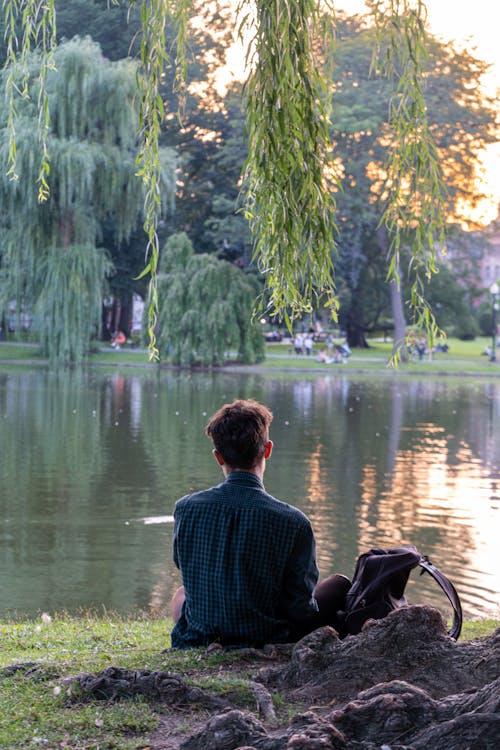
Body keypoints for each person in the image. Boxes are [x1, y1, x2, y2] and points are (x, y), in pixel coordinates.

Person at [170, 399, 350, 649]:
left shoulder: (186, 508)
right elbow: (300, 607)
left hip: (200, 636)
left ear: (218, 456)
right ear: (267, 450)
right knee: (340, 584)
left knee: (180, 594)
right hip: (266, 637)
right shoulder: (294, 522)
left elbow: (183, 565)